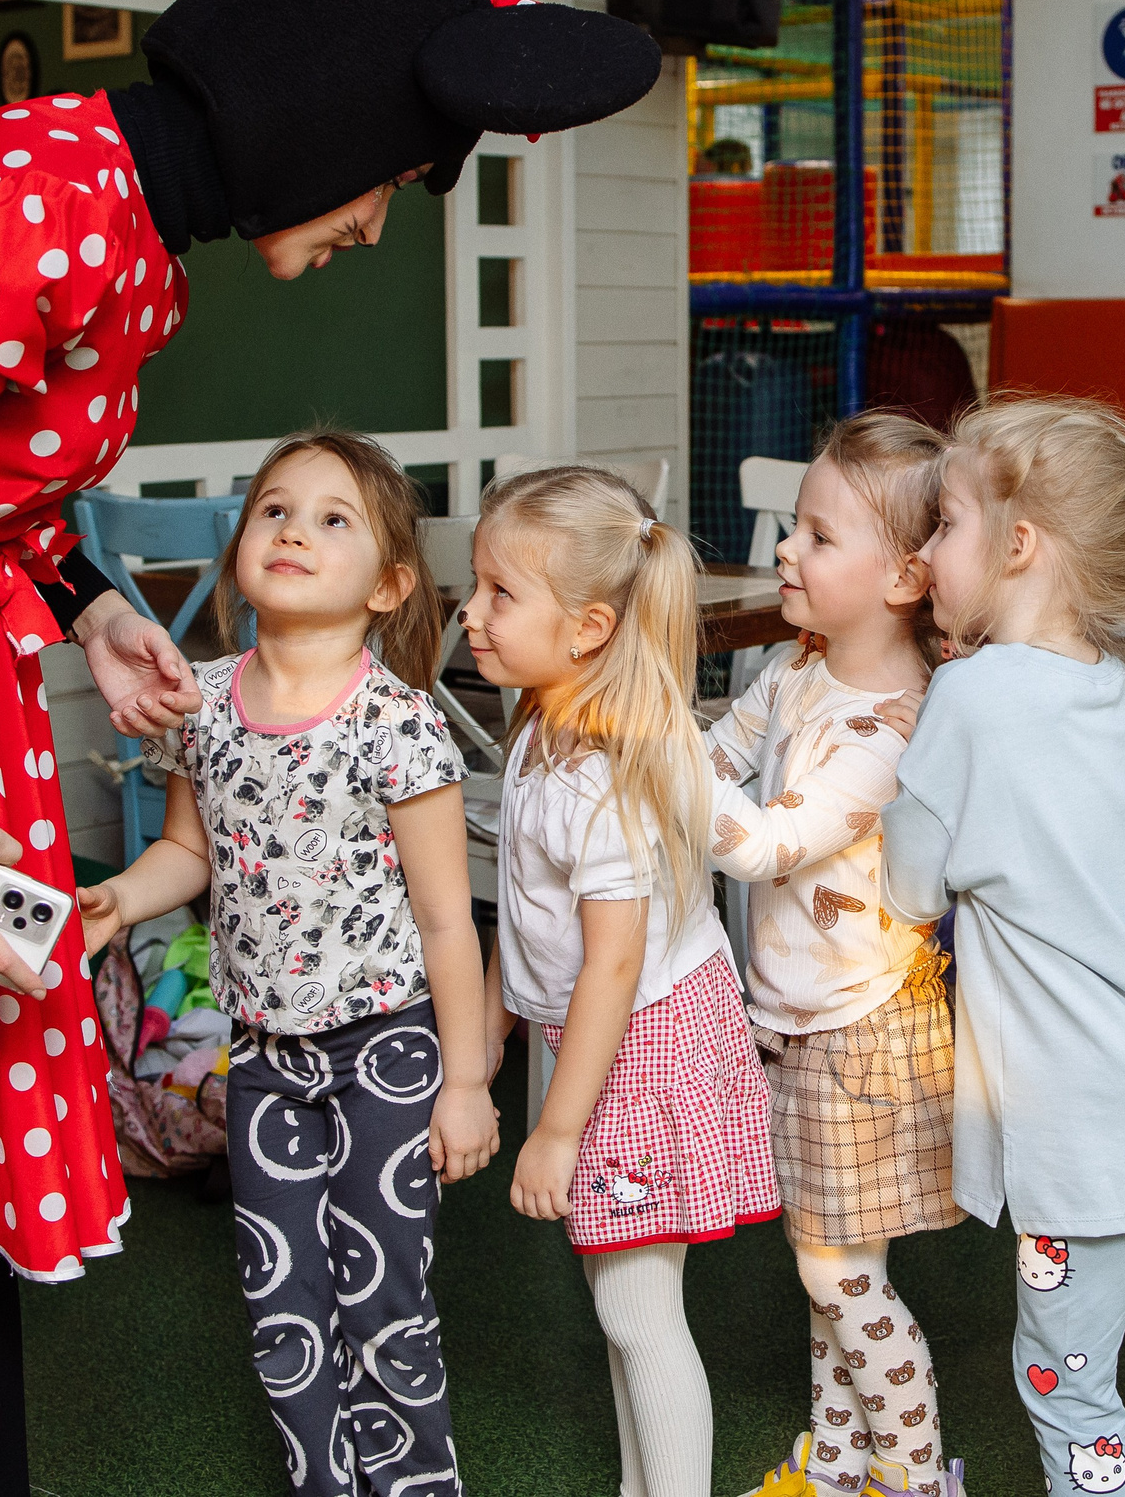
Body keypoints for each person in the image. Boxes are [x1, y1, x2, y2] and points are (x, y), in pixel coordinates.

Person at [0, 0, 660, 1494]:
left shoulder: (127, 234)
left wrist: (89, 607)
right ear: (325, 126)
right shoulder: (58, 205)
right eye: (390, 174)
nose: (381, 220)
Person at [76, 431, 500, 1497]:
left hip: (388, 1052)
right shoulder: (203, 707)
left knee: (385, 1296)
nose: (294, 531)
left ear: (388, 584)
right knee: (282, 1303)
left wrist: (465, 1084)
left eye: (331, 518)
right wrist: (117, 899)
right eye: (273, 510)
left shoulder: (398, 725)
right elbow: (187, 849)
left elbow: (450, 922)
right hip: (263, 1055)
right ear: (239, 549)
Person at [881, 398, 1125, 1497]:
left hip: (1075, 1122)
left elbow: (906, 886)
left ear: (1019, 545)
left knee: (1061, 1371)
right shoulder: (1124, 682)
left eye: (941, 523)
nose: (924, 551)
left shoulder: (977, 696)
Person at [465, 466, 780, 1497]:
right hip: (608, 1032)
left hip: (642, 1041)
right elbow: (538, 922)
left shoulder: (596, 770)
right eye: (478, 586)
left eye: (500, 593)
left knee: (638, 1311)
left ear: (590, 625)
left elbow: (612, 961)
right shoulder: (540, 721)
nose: (471, 614)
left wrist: (554, 1130)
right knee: (622, 1303)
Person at [705, 413, 961, 1497]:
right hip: (800, 1019)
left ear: (904, 575)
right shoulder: (798, 672)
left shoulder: (893, 729)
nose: (785, 551)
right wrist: (658, 744)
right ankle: (840, 1460)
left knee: (834, 1271)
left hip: (863, 1033)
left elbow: (765, 845)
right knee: (831, 1269)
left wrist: (653, 759)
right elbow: (716, 750)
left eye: (817, 536)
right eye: (795, 529)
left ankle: (910, 1474)